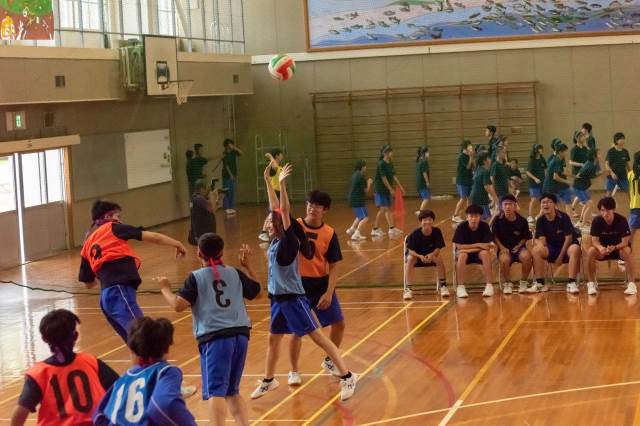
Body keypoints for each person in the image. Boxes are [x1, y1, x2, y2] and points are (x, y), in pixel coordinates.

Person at [251, 162, 357, 401]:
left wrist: (283, 184)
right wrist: (269, 182)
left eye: (271, 221)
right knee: (273, 338)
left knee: (319, 337)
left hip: (293, 298)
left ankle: (348, 375)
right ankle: (269, 380)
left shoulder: (289, 241)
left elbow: (283, 209)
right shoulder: (275, 241)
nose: (268, 222)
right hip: (277, 298)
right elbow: (275, 207)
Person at [156, 233, 260, 425]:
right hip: (241, 335)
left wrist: (165, 288)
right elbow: (257, 292)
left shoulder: (195, 278)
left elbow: (178, 306)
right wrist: (248, 266)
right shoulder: (234, 272)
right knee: (232, 391)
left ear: (198, 253)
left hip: (216, 338)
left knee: (216, 392)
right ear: (221, 252)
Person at [78, 200, 188, 342]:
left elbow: (88, 284)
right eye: (118, 216)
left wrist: (105, 270)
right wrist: (177, 244)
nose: (120, 219)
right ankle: (156, 364)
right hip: (119, 292)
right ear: (108, 217)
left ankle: (143, 364)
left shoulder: (87, 244)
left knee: (135, 343)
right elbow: (154, 237)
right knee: (144, 337)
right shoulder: (113, 228)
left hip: (106, 297)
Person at [10, 309, 119, 426]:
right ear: (75, 336)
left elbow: (21, 411)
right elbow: (120, 388)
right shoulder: (91, 362)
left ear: (44, 339)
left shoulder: (38, 373)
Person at [288, 190, 345, 386]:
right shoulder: (295, 227)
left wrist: (329, 292)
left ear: (325, 210)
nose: (312, 208)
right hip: (298, 286)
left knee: (339, 324)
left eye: (317, 206)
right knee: (297, 331)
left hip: (320, 284)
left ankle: (330, 361)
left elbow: (334, 264)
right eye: (310, 204)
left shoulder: (329, 233)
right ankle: (293, 371)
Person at [93, 317, 196, 426]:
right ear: (166, 348)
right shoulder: (166, 371)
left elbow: (99, 415)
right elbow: (164, 404)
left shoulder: (122, 380)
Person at [530, 193, 581, 294]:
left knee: (575, 249)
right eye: (543, 202)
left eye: (549, 202)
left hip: (567, 248)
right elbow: (541, 240)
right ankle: (540, 283)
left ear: (554, 204)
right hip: (552, 248)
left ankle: (572, 283)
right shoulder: (540, 220)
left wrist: (560, 257)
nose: (546, 205)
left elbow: (569, 239)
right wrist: (539, 243)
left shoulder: (564, 217)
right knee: (536, 250)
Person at [585, 197, 637, 296]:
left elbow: (625, 242)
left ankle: (631, 284)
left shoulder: (621, 220)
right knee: (591, 251)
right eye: (602, 210)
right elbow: (594, 241)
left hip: (618, 249)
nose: (605, 213)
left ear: (613, 209)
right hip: (603, 251)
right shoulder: (597, 221)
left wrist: (615, 247)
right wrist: (601, 248)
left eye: (608, 210)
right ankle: (591, 284)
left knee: (627, 250)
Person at [491, 195, 533, 294]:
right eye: (505, 204)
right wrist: (501, 248)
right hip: (504, 248)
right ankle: (507, 283)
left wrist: (519, 245)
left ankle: (523, 282)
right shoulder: (497, 220)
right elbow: (494, 236)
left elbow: (525, 237)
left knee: (527, 257)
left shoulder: (522, 220)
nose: (507, 207)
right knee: (504, 259)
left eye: (510, 204)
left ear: (515, 206)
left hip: (519, 248)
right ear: (501, 206)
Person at [452, 204, 496, 298]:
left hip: (476, 253)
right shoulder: (461, 227)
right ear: (467, 217)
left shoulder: (484, 226)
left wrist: (468, 249)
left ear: (480, 217)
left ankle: (489, 285)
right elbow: (459, 246)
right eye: (471, 216)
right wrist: (478, 244)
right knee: (462, 255)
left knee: (484, 254)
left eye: (476, 216)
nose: (473, 219)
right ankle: (460, 286)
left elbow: (487, 247)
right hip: (464, 254)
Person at [404, 209, 448, 299]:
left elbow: (438, 248)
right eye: (425, 220)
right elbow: (410, 250)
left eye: (429, 220)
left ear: (433, 221)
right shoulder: (415, 233)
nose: (427, 222)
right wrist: (419, 256)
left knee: (439, 258)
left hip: (431, 256)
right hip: (417, 257)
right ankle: (408, 289)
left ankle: (443, 286)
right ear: (421, 222)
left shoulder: (437, 231)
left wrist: (432, 254)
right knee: (410, 259)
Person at [372, 145, 404, 237]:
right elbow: (383, 178)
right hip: (380, 189)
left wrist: (400, 186)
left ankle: (391, 228)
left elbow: (394, 176)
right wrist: (390, 189)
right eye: (391, 152)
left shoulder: (390, 163)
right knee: (383, 209)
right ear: (385, 153)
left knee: (387, 209)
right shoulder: (381, 164)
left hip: (386, 190)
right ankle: (375, 229)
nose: (392, 153)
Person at [258, 148, 284, 242]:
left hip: (279, 192)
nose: (282, 156)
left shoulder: (278, 166)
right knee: (272, 213)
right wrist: (270, 156)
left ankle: (274, 230)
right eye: (281, 154)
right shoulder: (273, 166)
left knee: (276, 213)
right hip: (274, 192)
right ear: (277, 155)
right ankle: (263, 232)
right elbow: (275, 166)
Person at [573, 149, 601, 231]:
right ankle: (583, 225)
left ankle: (581, 221)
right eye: (598, 153)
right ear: (594, 156)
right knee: (590, 204)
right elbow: (581, 175)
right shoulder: (590, 166)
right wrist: (602, 173)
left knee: (588, 203)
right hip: (579, 187)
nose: (600, 155)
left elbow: (591, 175)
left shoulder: (592, 164)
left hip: (582, 187)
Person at [346, 160, 373, 241]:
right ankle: (356, 234)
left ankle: (352, 229)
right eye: (365, 166)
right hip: (357, 200)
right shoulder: (361, 176)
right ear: (362, 167)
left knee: (360, 216)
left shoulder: (354, 175)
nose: (366, 167)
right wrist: (369, 183)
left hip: (354, 199)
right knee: (365, 218)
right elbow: (366, 190)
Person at [543, 143, 573, 212]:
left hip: (555, 187)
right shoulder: (556, 161)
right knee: (553, 208)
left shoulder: (558, 160)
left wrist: (574, 176)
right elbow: (555, 177)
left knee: (561, 204)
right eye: (565, 151)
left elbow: (562, 172)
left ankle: (570, 221)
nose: (566, 153)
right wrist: (568, 181)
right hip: (550, 188)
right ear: (560, 152)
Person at [469, 153, 497, 221]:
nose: (490, 160)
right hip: (480, 198)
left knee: (478, 217)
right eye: (489, 158)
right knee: (487, 218)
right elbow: (486, 186)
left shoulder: (478, 169)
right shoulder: (485, 171)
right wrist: (495, 197)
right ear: (485, 161)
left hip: (474, 196)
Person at [189, 179, 217, 244]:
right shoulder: (199, 199)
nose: (206, 191)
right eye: (205, 188)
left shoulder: (195, 197)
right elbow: (213, 209)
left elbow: (209, 204)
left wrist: (217, 199)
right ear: (201, 189)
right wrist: (212, 195)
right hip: (203, 232)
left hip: (200, 231)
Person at [453, 140, 475, 223]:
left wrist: (472, 157)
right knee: (463, 198)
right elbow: (468, 167)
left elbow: (474, 166)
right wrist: (471, 157)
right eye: (469, 145)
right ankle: (455, 215)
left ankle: (469, 214)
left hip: (469, 180)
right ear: (465, 147)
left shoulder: (469, 155)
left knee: (469, 198)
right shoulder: (461, 156)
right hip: (462, 180)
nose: (471, 147)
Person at [569, 130, 590, 218]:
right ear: (577, 138)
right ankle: (583, 216)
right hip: (578, 174)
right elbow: (570, 162)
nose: (583, 137)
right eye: (581, 136)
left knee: (582, 191)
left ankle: (572, 208)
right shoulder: (574, 149)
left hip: (585, 174)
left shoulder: (585, 148)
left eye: (583, 136)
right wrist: (581, 164)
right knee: (582, 193)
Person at [605, 132, 631, 200]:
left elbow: (627, 164)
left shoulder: (625, 151)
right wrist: (612, 173)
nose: (623, 140)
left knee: (629, 192)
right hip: (612, 176)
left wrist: (631, 173)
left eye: (623, 138)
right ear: (616, 140)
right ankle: (605, 207)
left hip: (623, 176)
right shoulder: (611, 151)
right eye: (621, 139)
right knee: (608, 193)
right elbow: (606, 164)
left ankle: (634, 207)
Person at [221, 138, 243, 215]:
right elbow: (226, 165)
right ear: (226, 145)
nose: (231, 145)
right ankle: (227, 208)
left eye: (232, 144)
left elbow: (241, 153)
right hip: (226, 175)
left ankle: (231, 207)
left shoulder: (233, 152)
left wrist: (234, 148)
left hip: (233, 174)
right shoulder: (224, 154)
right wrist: (231, 175)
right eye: (230, 144)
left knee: (232, 191)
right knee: (227, 191)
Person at [526, 144, 546, 223]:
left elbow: (545, 168)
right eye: (540, 148)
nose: (541, 150)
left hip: (542, 182)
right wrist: (535, 179)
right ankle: (530, 216)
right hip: (533, 183)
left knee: (543, 199)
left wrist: (545, 178)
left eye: (541, 148)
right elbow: (527, 172)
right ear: (536, 150)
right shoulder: (532, 160)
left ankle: (539, 216)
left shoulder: (542, 158)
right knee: (534, 199)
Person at [415, 146, 431, 214]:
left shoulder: (419, 161)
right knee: (426, 198)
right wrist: (427, 182)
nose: (428, 153)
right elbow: (424, 173)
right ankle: (420, 212)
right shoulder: (424, 161)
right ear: (424, 153)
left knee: (425, 198)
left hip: (419, 183)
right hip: (422, 183)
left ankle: (421, 210)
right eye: (427, 152)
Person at [629, 151, 640, 245]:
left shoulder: (630, 174)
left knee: (631, 231)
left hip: (634, 205)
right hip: (637, 206)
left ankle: (624, 253)